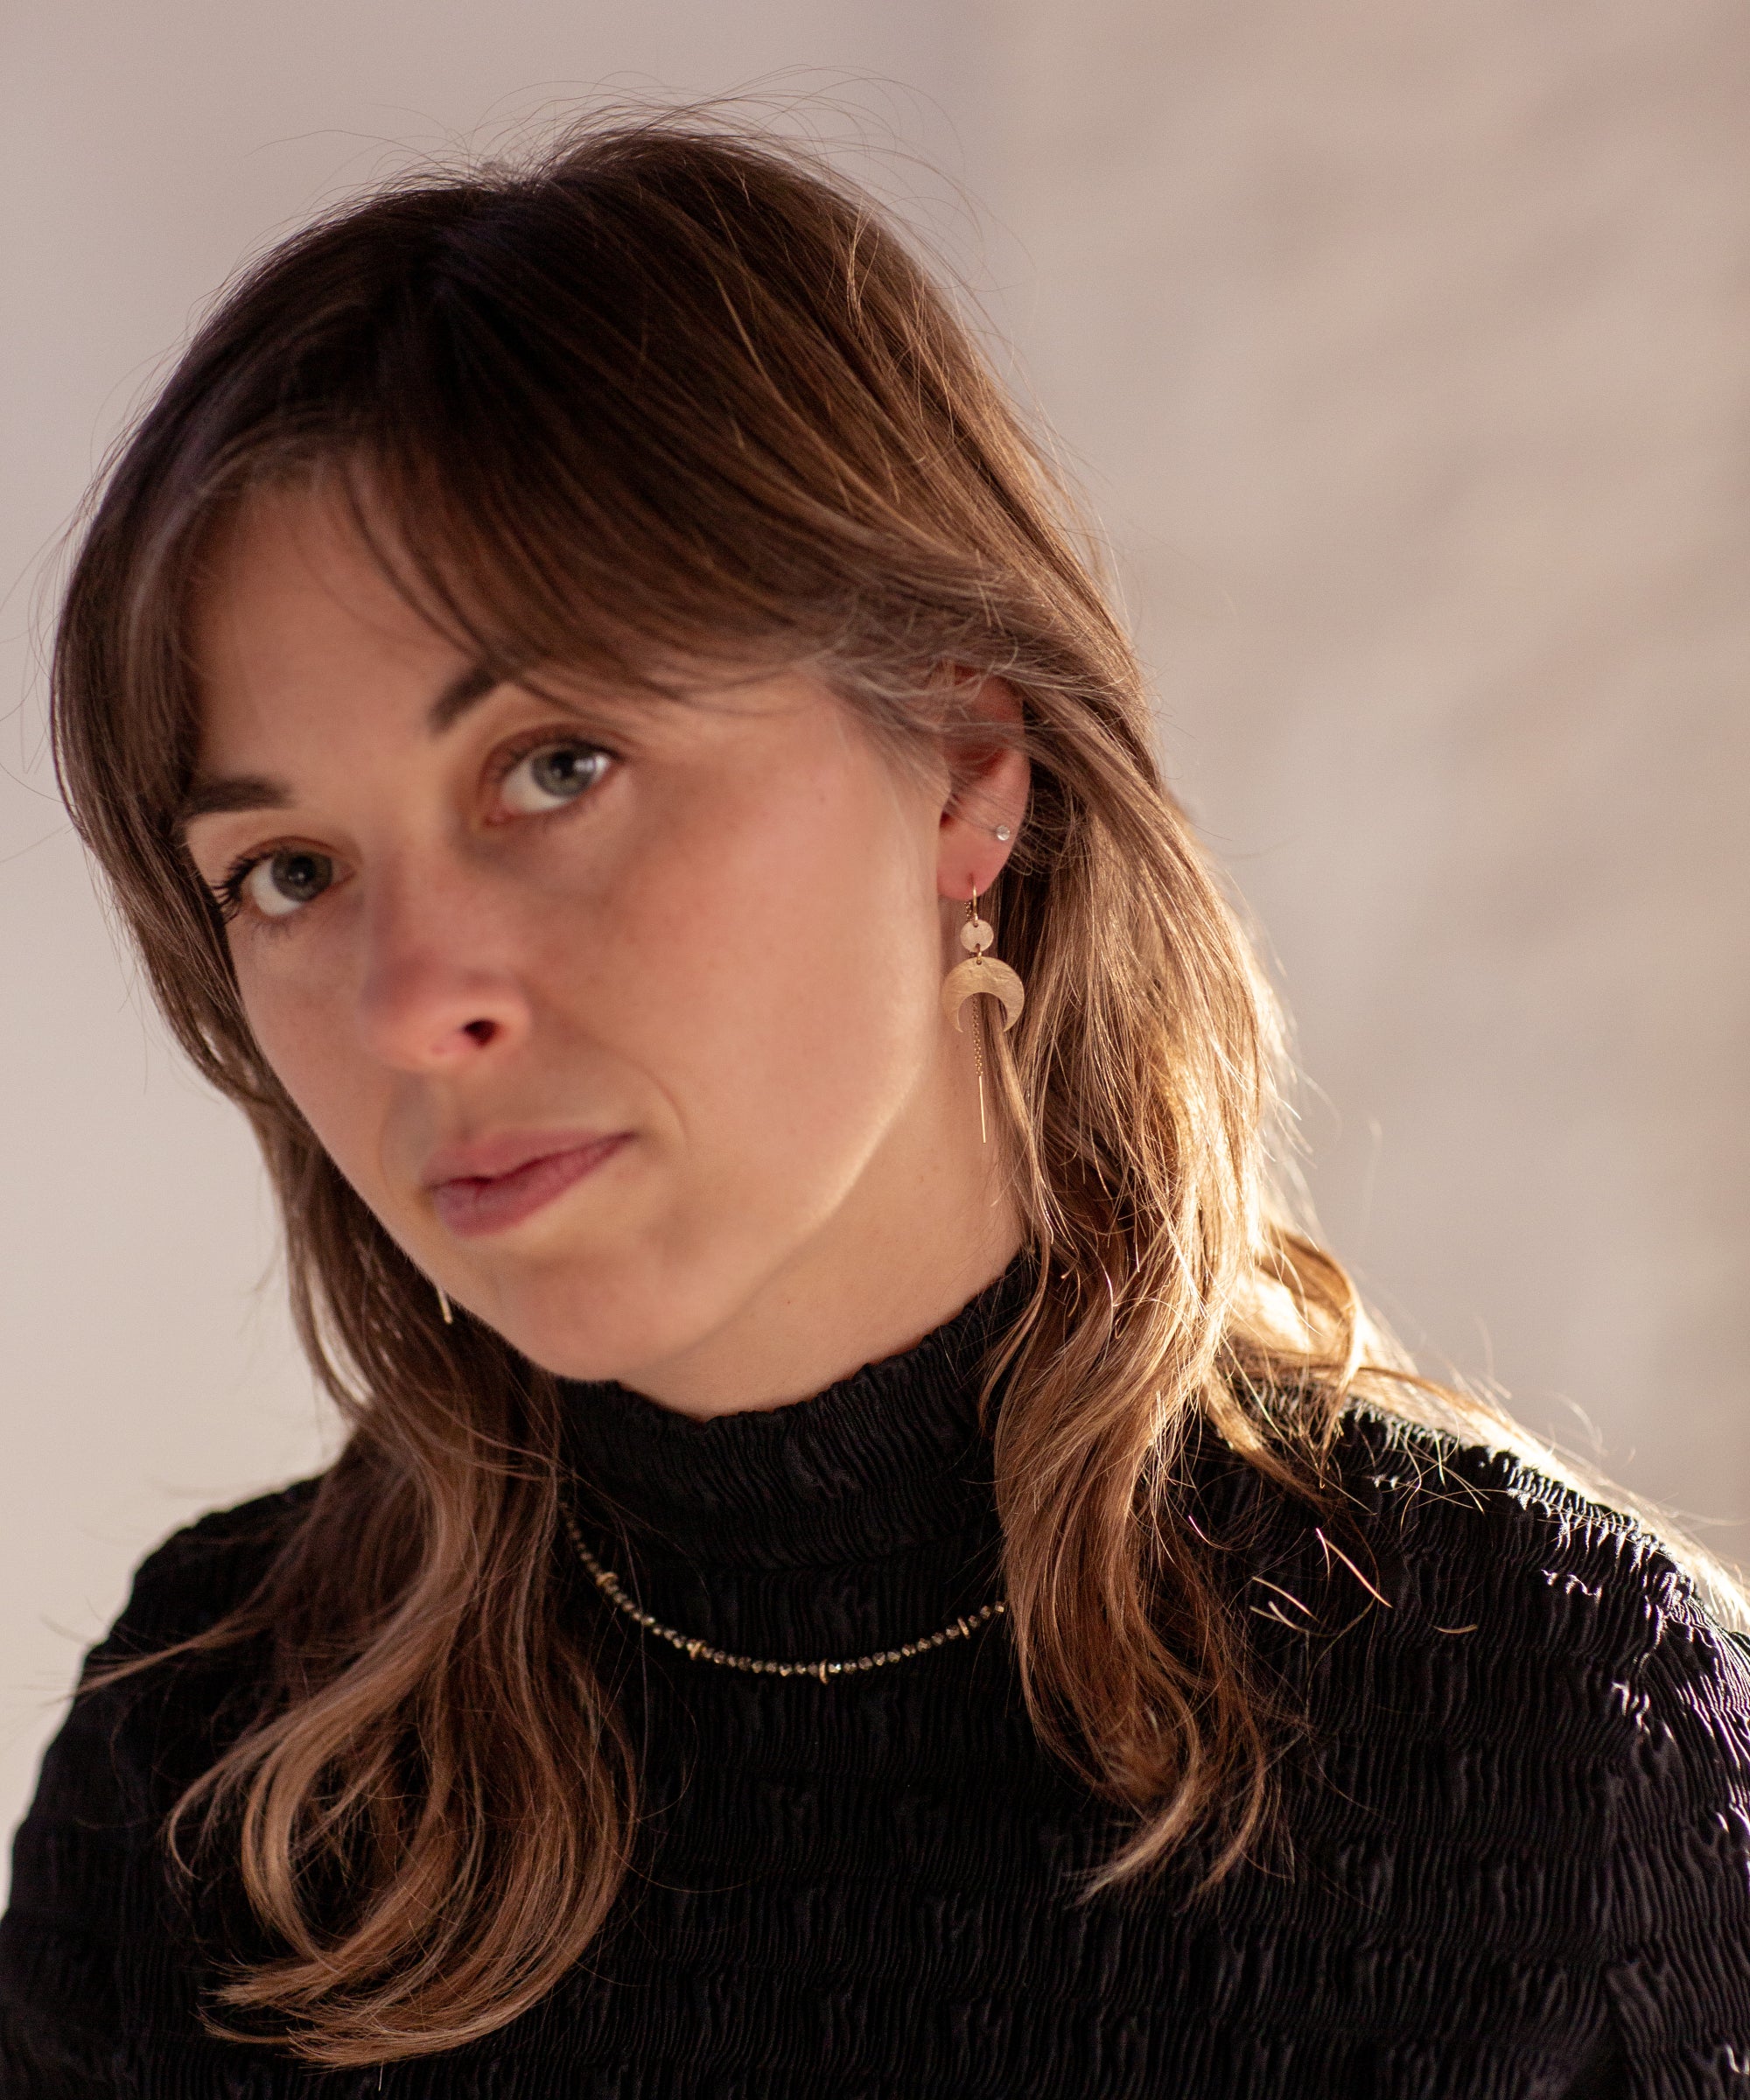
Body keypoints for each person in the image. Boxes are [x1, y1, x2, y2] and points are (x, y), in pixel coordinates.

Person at [3, 111, 1746, 2099]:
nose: (411, 1007)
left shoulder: (1541, 1735)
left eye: (555, 766)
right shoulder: (211, 1764)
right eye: (290, 872)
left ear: (961, 757)